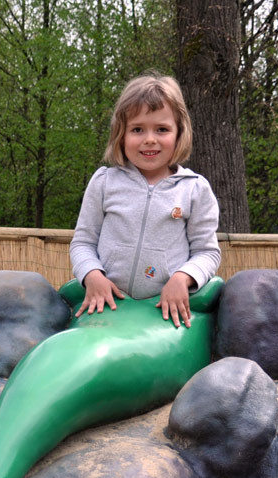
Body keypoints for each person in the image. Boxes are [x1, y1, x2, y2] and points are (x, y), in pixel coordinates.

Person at [70, 72, 221, 328]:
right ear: (121, 134)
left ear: (179, 133)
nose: (149, 139)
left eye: (162, 129)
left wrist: (183, 278)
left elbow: (207, 252)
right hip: (106, 305)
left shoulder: (194, 189)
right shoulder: (104, 182)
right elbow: (83, 242)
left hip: (164, 311)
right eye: (137, 129)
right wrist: (92, 275)